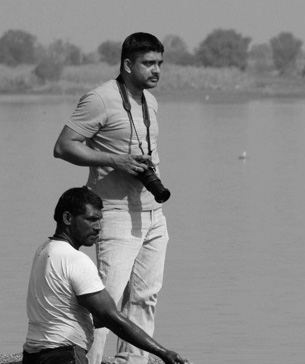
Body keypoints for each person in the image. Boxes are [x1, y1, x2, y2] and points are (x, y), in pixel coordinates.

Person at [53, 32, 170, 364]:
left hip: (152, 213)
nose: (156, 70)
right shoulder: (100, 99)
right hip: (115, 213)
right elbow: (63, 146)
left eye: (160, 63)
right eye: (149, 63)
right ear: (128, 64)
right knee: (106, 303)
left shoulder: (151, 101)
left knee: (145, 299)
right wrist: (114, 160)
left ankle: (132, 362)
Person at [23, 187, 187, 364]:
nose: (98, 227)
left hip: (33, 356)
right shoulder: (75, 260)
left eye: (100, 220)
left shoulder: (44, 250)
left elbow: (71, 313)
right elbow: (109, 317)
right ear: (68, 218)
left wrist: (110, 318)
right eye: (92, 219)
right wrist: (163, 353)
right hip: (64, 356)